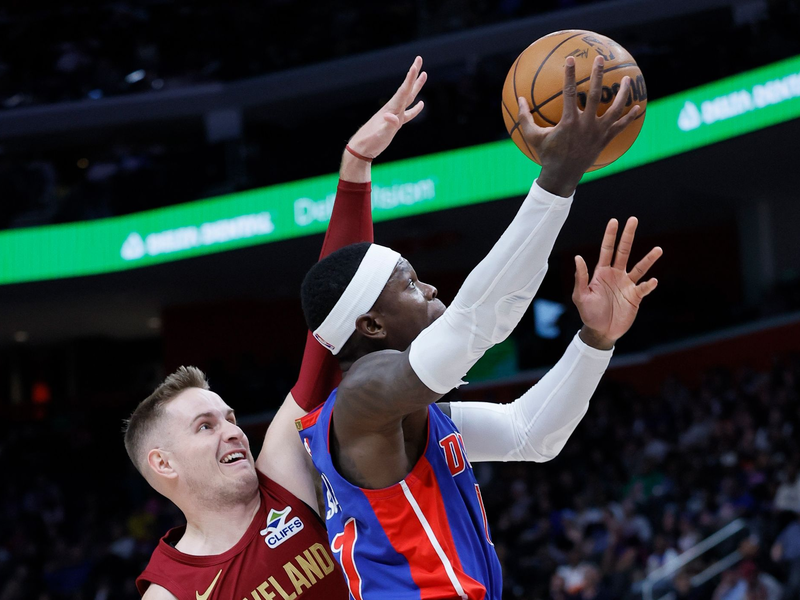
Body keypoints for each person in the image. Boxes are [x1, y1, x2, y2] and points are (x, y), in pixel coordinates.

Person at [297, 55, 662, 599]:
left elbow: (529, 435)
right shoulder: (362, 396)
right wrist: (557, 179)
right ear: (371, 324)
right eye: (412, 284)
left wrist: (595, 341)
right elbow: (472, 328)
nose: (432, 291)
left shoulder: (408, 413)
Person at [124, 57, 428, 600]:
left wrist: (355, 169)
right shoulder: (169, 592)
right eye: (205, 426)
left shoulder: (281, 482)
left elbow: (329, 329)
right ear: (162, 463)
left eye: (229, 417)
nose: (233, 430)